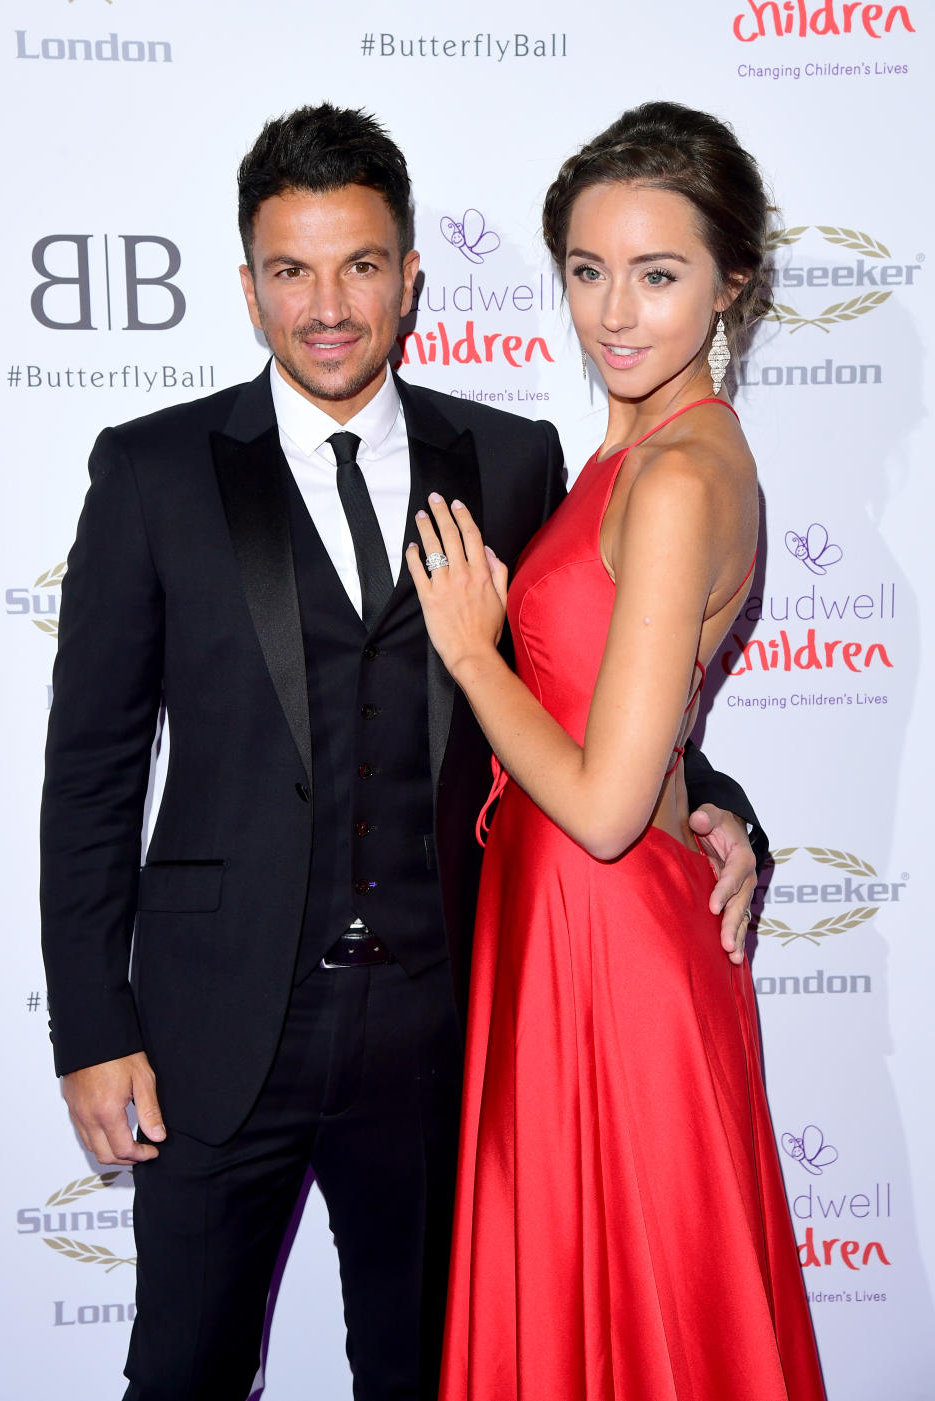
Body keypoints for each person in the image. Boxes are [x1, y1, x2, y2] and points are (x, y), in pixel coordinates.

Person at [40, 104, 763, 1401]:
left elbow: (592, 675)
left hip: (451, 1029)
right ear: (248, 283)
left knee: (435, 1373)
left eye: (361, 264)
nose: (328, 304)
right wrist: (93, 1024)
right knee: (181, 1370)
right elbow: (90, 768)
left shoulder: (508, 457)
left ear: (411, 274)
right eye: (292, 269)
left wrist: (714, 801)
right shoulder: (152, 474)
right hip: (215, 1033)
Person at [408, 102, 826, 1400]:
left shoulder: (684, 475)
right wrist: (710, 799)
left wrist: (474, 652)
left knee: (640, 1323)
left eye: (659, 274)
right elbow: (635, 740)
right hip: (562, 932)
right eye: (589, 272)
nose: (615, 313)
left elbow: (595, 803)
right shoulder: (631, 449)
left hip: (611, 950)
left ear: (731, 284)